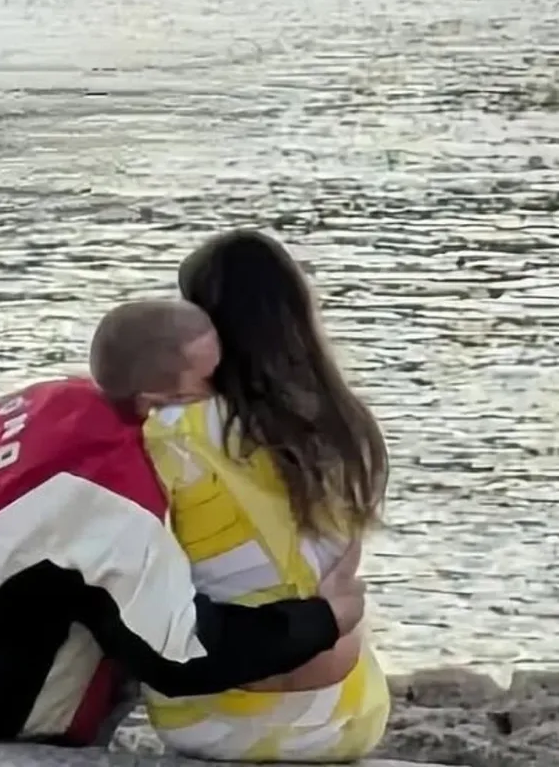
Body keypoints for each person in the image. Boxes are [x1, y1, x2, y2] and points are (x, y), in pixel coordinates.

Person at [0, 299, 365, 744]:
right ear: (159, 401)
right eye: (214, 381)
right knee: (133, 616)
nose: (228, 393)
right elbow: (184, 655)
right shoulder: (114, 487)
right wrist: (322, 618)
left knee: (99, 571)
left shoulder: (56, 397)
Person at [134, 231, 391, 762]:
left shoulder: (169, 432)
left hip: (213, 720)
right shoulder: (347, 426)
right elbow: (341, 569)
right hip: (346, 714)